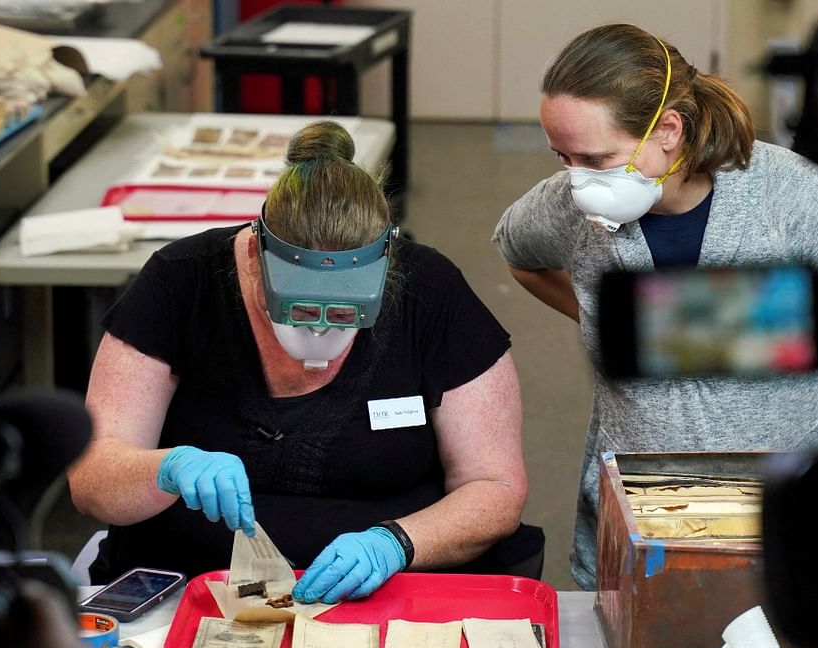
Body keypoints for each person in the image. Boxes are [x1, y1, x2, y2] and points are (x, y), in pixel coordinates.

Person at [492, 24, 818, 590]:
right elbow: (520, 253)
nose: (579, 180)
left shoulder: (799, 203)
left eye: (597, 157)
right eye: (563, 157)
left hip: (789, 536)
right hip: (641, 536)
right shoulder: (570, 206)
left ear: (667, 130)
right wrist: (610, 318)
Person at [68, 120, 543, 604]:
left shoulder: (430, 292)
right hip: (187, 587)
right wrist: (165, 468)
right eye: (298, 308)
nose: (320, 330)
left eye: (345, 312)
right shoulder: (180, 283)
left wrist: (397, 543)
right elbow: (91, 480)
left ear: (384, 270)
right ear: (255, 254)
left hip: (385, 592)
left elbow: (495, 485)